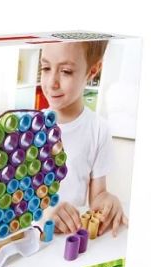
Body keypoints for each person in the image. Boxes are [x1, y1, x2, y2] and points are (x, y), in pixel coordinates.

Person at [40, 41, 128, 237]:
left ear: (92, 71)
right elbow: (15, 199)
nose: (52, 82)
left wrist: (109, 201)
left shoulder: (98, 129)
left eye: (66, 71)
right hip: (36, 236)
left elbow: (98, 196)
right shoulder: (29, 128)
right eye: (45, 68)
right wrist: (45, 213)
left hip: (70, 238)